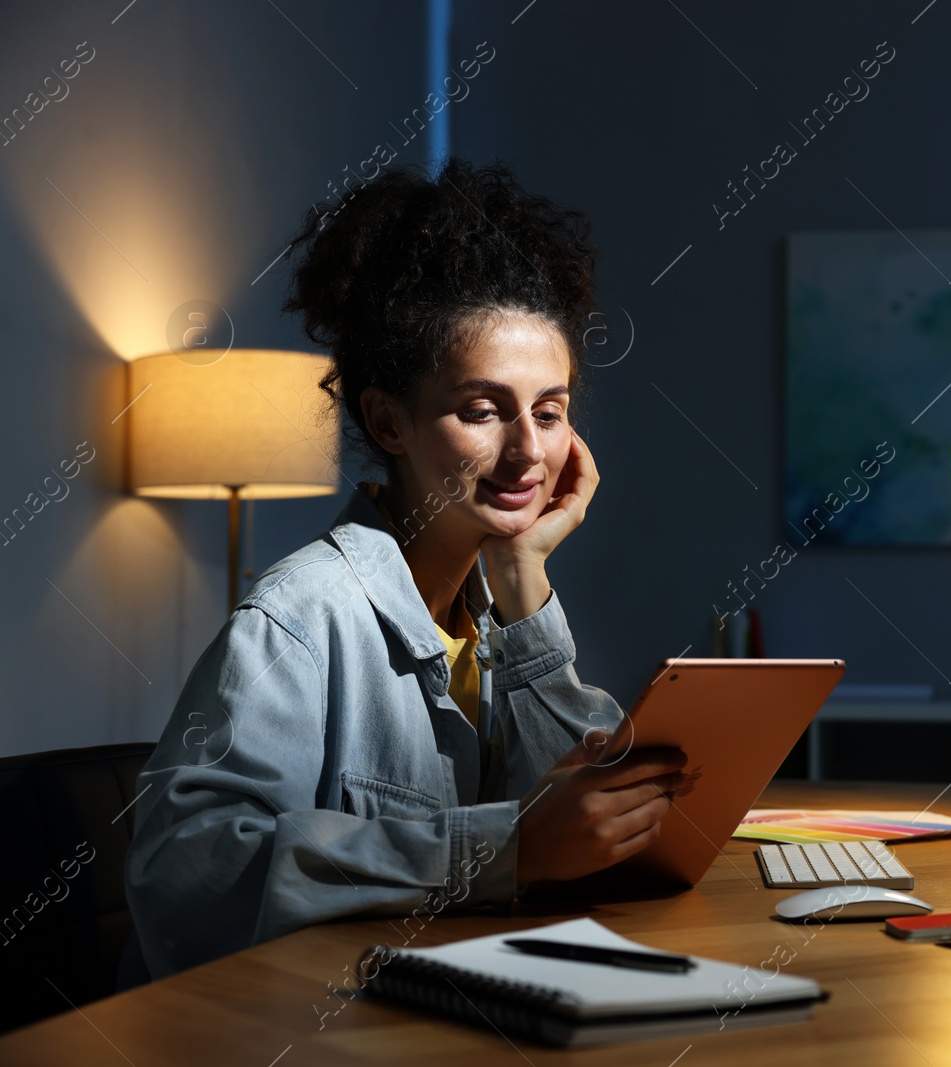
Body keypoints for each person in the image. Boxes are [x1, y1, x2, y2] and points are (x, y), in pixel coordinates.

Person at [120, 158, 685, 984]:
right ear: (388, 418)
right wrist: (501, 847)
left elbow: (584, 843)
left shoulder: (496, 608)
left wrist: (525, 577)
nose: (529, 450)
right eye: (483, 410)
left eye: (551, 412)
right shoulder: (301, 616)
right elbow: (187, 872)